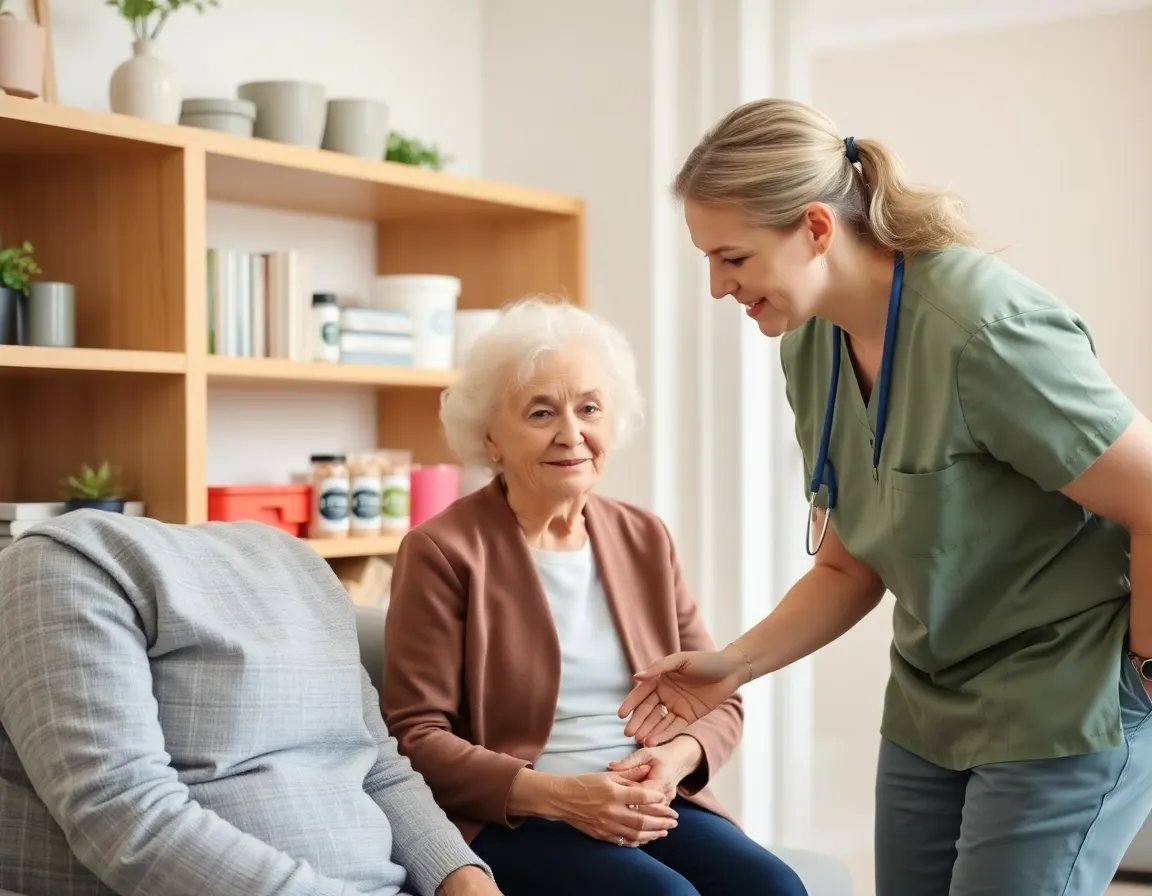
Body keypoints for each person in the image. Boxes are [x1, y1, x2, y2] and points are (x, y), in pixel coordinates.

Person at [617, 97, 1152, 896]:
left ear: (815, 228)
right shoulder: (811, 343)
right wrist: (733, 666)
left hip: (1062, 698)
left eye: (732, 258)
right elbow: (848, 566)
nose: (719, 286)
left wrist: (1144, 675)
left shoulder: (985, 331)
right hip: (929, 703)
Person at [379, 297, 806, 896]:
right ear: (491, 438)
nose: (571, 434)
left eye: (589, 408)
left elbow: (716, 696)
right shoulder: (442, 551)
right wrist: (560, 795)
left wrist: (677, 759)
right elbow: (415, 736)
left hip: (646, 795)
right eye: (541, 413)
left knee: (774, 887)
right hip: (521, 813)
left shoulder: (644, 537)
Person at [0, 511, 500, 896]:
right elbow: (125, 815)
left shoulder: (302, 568)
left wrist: (460, 875)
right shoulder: (60, 568)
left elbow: (380, 768)